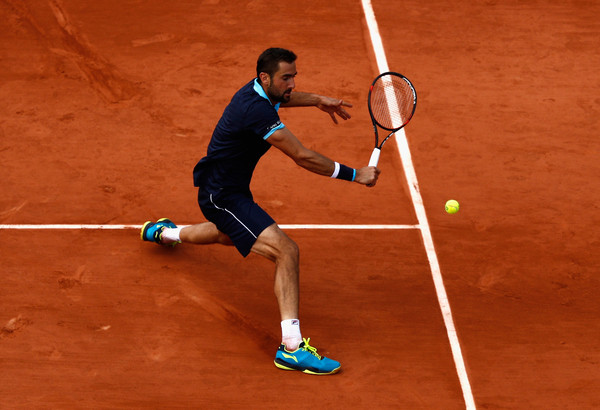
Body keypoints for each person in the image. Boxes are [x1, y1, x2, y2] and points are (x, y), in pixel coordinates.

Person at [141, 47, 380, 375]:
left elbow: (282, 98)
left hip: (227, 189)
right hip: (222, 196)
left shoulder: (257, 90)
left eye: (294, 75)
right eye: (287, 77)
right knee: (286, 251)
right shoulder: (255, 110)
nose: (292, 82)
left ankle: (163, 232)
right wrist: (356, 174)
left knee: (228, 235)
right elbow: (302, 156)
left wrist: (317, 100)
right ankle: (292, 349)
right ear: (265, 77)